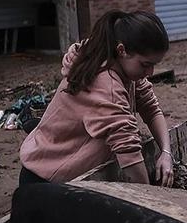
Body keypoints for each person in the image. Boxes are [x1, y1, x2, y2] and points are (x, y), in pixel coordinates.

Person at [19, 10, 174, 187]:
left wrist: (166, 153)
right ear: (122, 50)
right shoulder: (106, 86)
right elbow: (128, 152)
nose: (150, 73)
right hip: (48, 179)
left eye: (154, 65)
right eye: (145, 64)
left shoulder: (119, 65)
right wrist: (150, 201)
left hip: (51, 163)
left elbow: (151, 109)